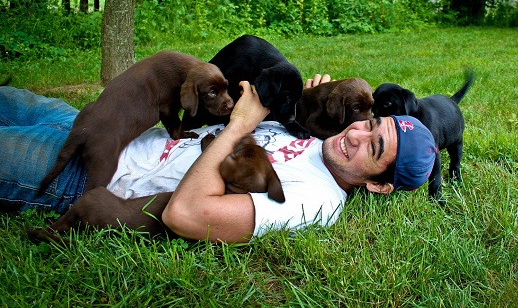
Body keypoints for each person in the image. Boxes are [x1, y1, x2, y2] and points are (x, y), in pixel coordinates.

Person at [0, 74, 437, 243]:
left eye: (373, 148)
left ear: (379, 184)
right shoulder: (324, 132)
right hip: (110, 125)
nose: (356, 134)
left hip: (93, 175)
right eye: (370, 125)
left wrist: (238, 127)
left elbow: (187, 215)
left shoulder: (316, 201)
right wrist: (310, 97)